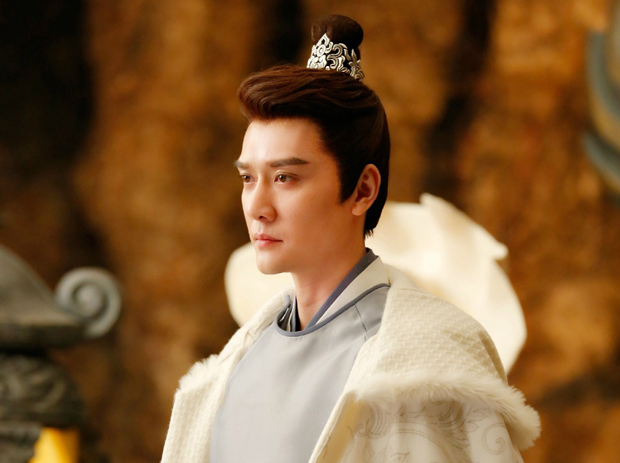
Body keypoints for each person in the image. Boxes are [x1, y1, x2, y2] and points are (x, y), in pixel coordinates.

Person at [160, 15, 540, 463]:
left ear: (363, 189)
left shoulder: (433, 364)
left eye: (284, 177)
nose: (257, 206)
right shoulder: (235, 365)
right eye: (248, 178)